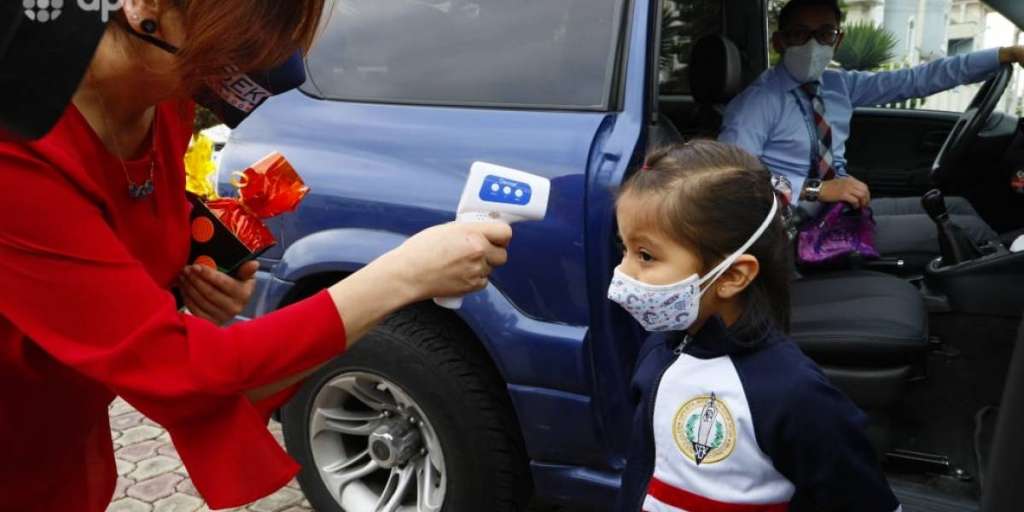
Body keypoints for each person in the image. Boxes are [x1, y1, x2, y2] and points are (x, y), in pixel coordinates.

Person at [0, 1, 512, 510]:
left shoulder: (166, 97)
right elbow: (177, 367)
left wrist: (196, 255)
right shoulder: (17, 154)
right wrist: (404, 275)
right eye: (237, 46)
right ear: (143, 8)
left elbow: (126, 205)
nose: (251, 71)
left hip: (64, 443)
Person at [611, 141, 900, 511]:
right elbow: (641, 472)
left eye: (646, 255)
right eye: (625, 248)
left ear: (733, 276)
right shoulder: (659, 350)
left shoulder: (793, 392)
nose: (623, 272)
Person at [720, 0, 1024, 263]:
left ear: (837, 41)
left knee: (960, 208)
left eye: (824, 34)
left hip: (837, 209)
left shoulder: (838, 85)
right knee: (971, 231)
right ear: (780, 42)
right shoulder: (757, 102)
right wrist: (815, 189)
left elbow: (915, 80)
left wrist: (1002, 55)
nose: (813, 45)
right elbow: (729, 175)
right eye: (800, 34)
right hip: (798, 226)